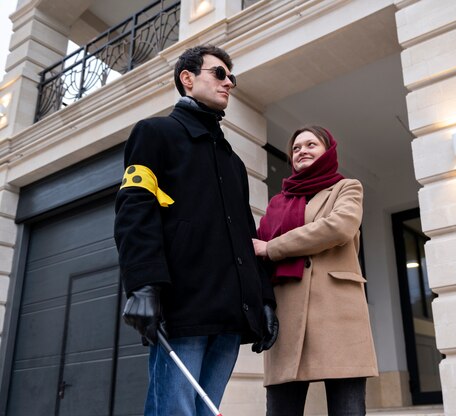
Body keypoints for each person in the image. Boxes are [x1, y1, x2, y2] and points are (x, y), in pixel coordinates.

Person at [114, 45, 278, 416]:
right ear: (187, 79)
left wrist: (264, 298)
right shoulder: (155, 133)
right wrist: (143, 284)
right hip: (183, 306)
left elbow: (246, 236)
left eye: (231, 77)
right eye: (219, 73)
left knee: (207, 412)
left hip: (230, 314)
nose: (229, 83)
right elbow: (134, 209)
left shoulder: (233, 162)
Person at [253, 126, 378, 415]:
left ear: (327, 151)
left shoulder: (347, 187)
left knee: (347, 407)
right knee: (281, 408)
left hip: (337, 311)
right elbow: (256, 251)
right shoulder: (276, 203)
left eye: (311, 144)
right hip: (286, 314)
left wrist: (272, 248)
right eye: (296, 148)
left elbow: (337, 227)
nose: (302, 151)